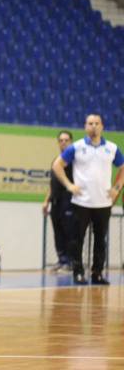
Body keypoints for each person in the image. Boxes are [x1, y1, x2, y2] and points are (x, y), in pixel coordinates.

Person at [52, 114, 124, 285]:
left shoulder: (112, 148)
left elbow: (122, 167)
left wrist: (117, 188)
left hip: (103, 203)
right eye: (90, 123)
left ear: (102, 126)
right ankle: (78, 272)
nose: (93, 126)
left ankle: (97, 273)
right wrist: (69, 185)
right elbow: (57, 165)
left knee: (100, 240)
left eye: (97, 123)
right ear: (85, 127)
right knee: (77, 240)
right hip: (81, 202)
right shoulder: (76, 147)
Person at [42, 130, 74, 272]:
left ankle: (71, 262)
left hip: (68, 200)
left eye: (66, 140)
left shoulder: (74, 161)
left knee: (69, 231)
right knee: (58, 231)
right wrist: (46, 201)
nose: (63, 142)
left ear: (71, 142)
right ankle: (62, 260)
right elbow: (52, 183)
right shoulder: (56, 160)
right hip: (55, 201)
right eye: (61, 140)